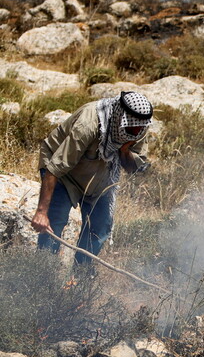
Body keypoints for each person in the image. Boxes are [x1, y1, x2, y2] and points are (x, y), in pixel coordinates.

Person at [32, 91, 152, 266]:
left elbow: (133, 168)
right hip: (65, 175)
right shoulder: (88, 124)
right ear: (120, 118)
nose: (134, 134)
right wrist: (41, 213)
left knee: (100, 227)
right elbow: (56, 167)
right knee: (54, 222)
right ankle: (41, 275)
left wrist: (125, 150)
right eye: (130, 129)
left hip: (101, 176)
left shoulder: (138, 128)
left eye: (137, 130)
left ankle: (80, 280)